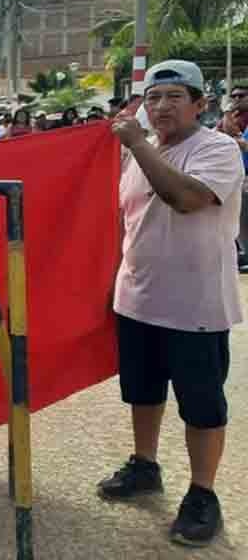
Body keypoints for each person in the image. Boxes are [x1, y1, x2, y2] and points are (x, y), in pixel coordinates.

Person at [98, 60, 241, 548]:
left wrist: (137, 143)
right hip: (138, 297)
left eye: (174, 97)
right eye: (152, 98)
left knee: (201, 405)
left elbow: (184, 199)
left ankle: (203, 495)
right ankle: (145, 465)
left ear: (201, 105)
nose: (160, 107)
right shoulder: (137, 156)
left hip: (195, 306)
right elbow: (128, 223)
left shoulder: (217, 149)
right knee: (143, 392)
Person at [217, 85, 248, 271]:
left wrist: (232, 142)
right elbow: (225, 132)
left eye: (241, 96)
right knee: (241, 218)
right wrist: (228, 112)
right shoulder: (237, 118)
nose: (236, 99)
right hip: (241, 176)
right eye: (234, 95)